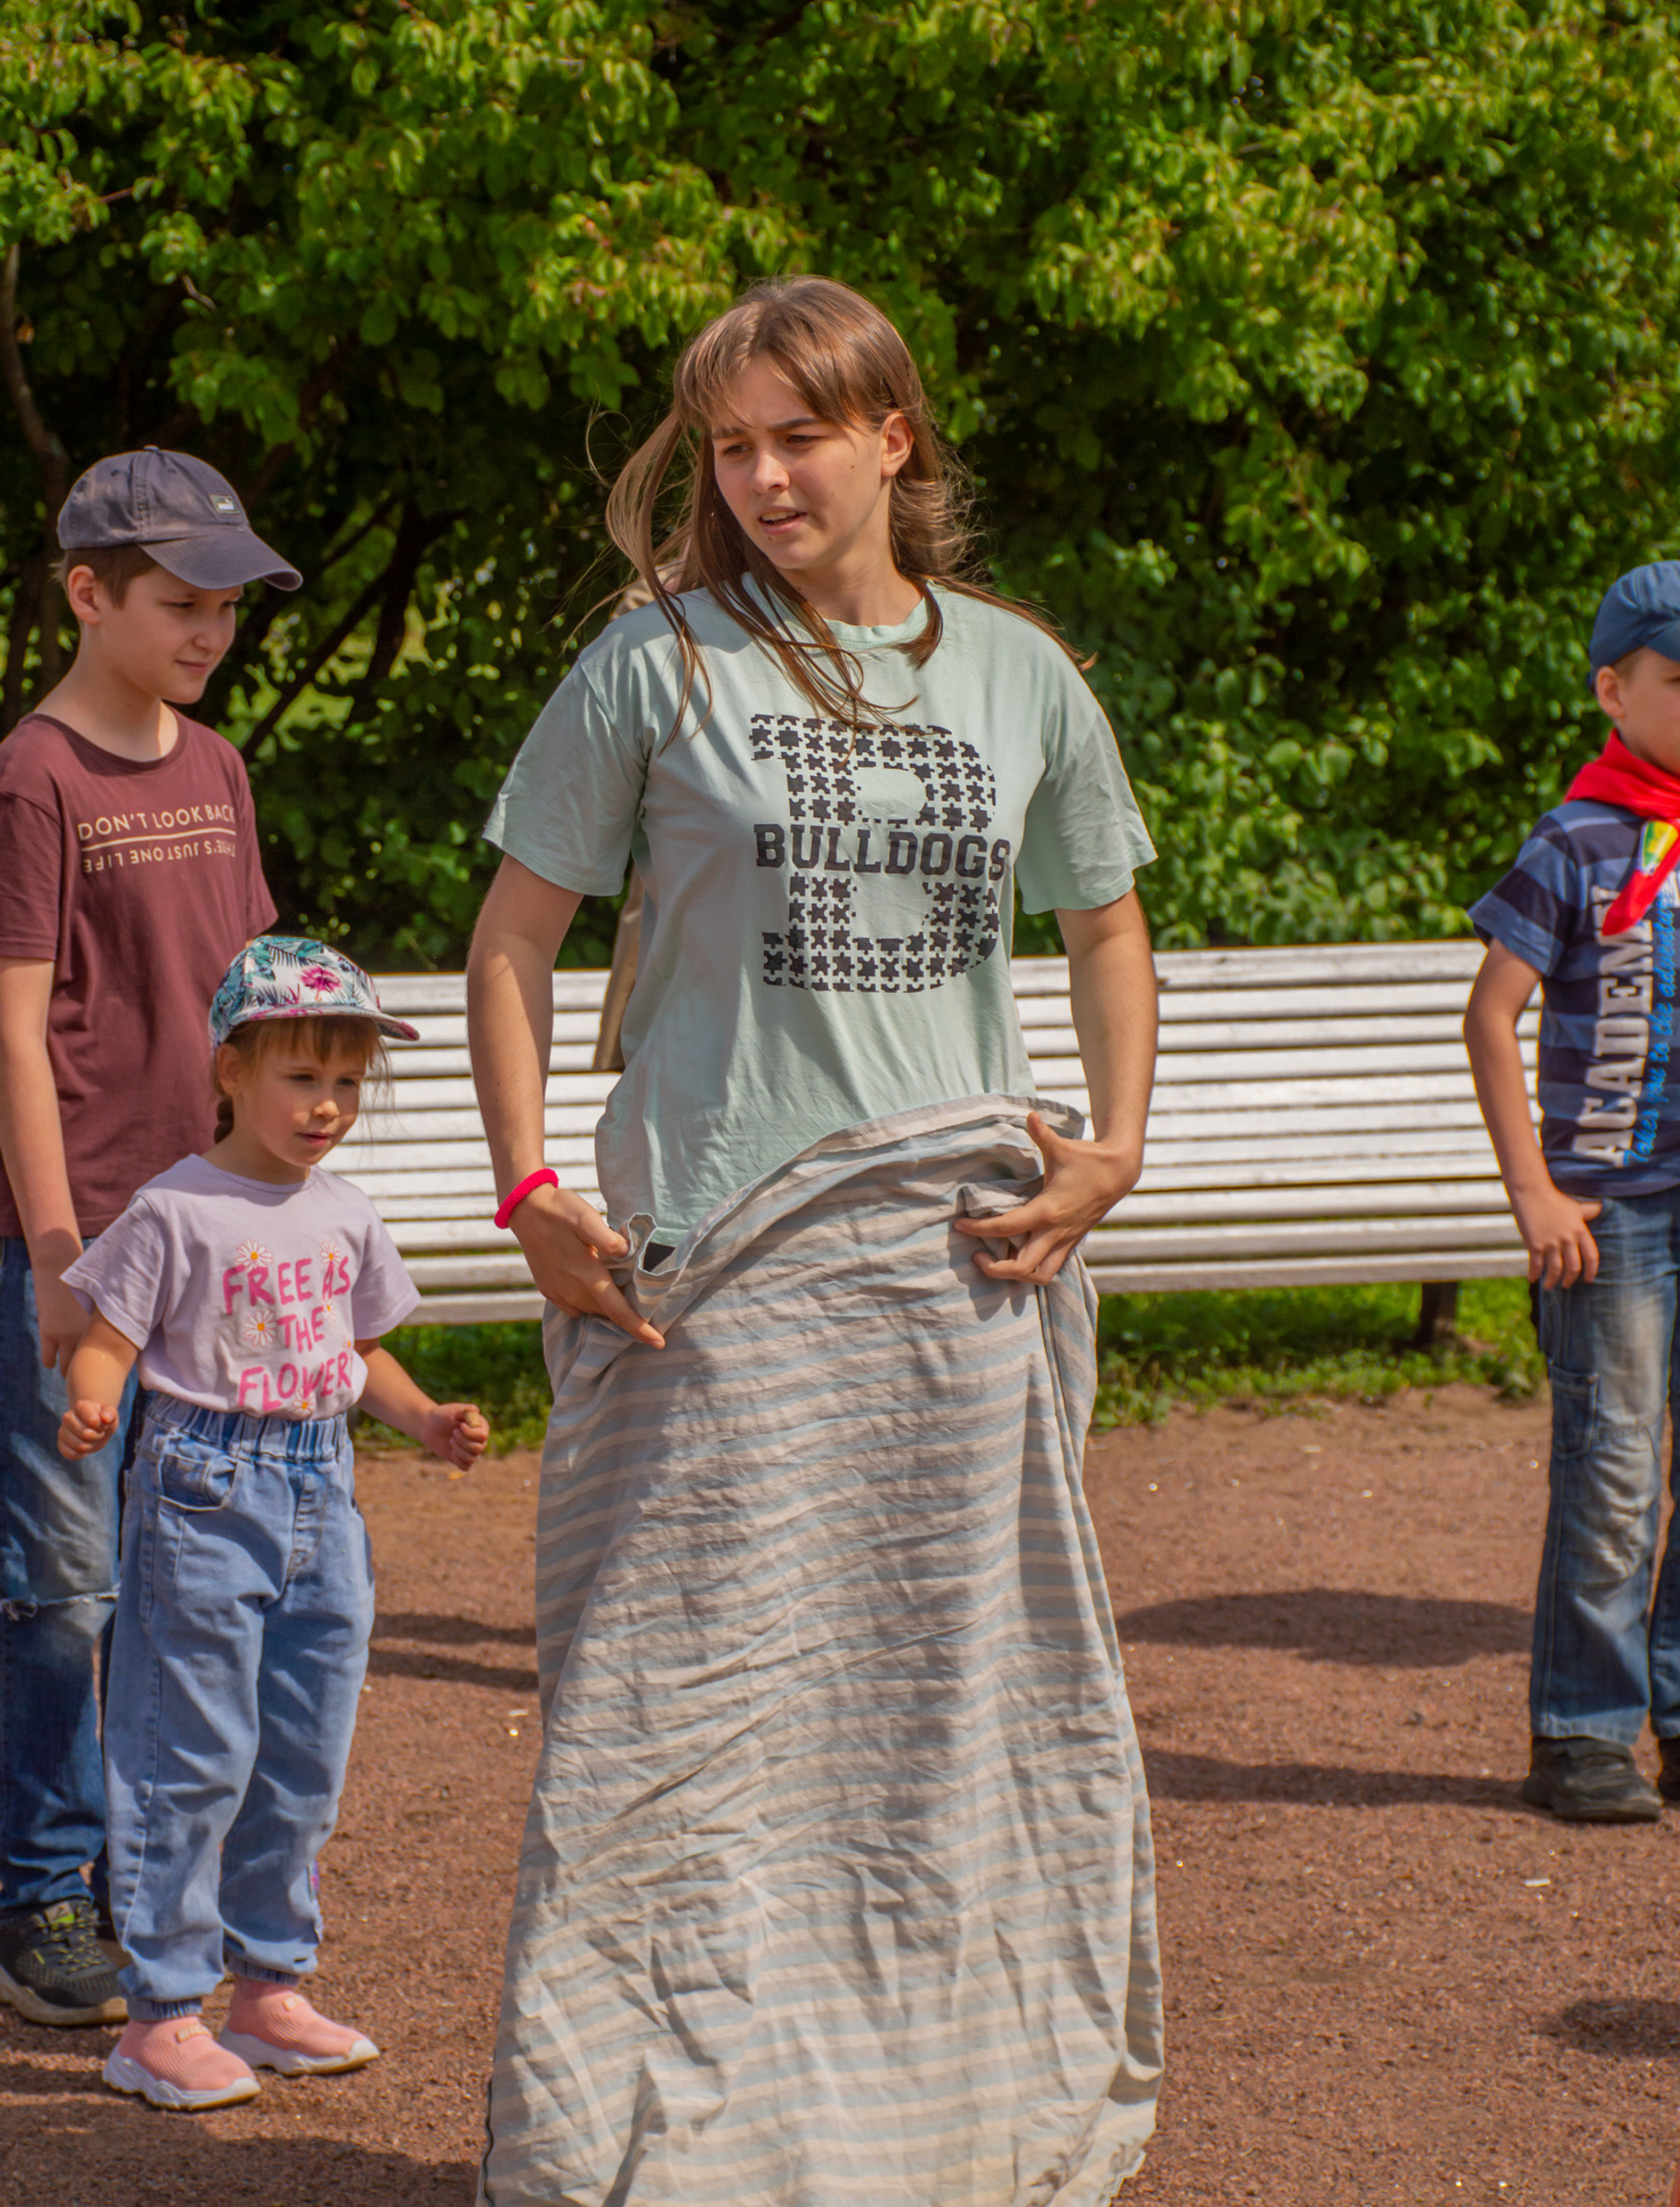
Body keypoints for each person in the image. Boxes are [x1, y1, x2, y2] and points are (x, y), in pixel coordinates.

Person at [467, 276, 1163, 2204]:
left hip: (958, 1266)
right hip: (709, 1270)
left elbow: (1103, 924)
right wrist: (534, 1195)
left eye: (799, 436)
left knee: (941, 1722)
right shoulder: (654, 667)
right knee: (677, 1729)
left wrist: (1113, 1151)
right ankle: (671, 2134)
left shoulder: (1021, 677)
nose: (764, 476)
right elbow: (513, 945)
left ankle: (916, 2128)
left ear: (892, 439)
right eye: (732, 447)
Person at [56, 938, 490, 2110]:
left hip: (322, 1493)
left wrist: (425, 1420)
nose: (329, 1106)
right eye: (303, 1077)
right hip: (204, 1491)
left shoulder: (345, 1214)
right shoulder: (174, 1208)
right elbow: (111, 1334)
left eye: (348, 1083)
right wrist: (97, 1396)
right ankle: (159, 2013)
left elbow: (359, 1356)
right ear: (232, 1070)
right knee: (188, 1754)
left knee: (301, 1754)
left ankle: (268, 1989)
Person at [0, 449, 296, 2028]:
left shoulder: (221, 769)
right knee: (63, 1583)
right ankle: (44, 1889)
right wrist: (53, 1248)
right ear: (90, 593)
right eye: (182, 603)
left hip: (207, 1247)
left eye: (229, 606)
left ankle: (151, 1887)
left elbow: (250, 999)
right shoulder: (32, 777)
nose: (211, 631)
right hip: (78, 1246)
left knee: (188, 1575)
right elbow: (9, 1032)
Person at [1465, 559, 1680, 1826]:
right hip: (1614, 1215)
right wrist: (1533, 1191)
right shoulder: (1574, 840)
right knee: (1612, 1472)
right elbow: (1491, 1016)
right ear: (1613, 689)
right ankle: (1583, 1734)